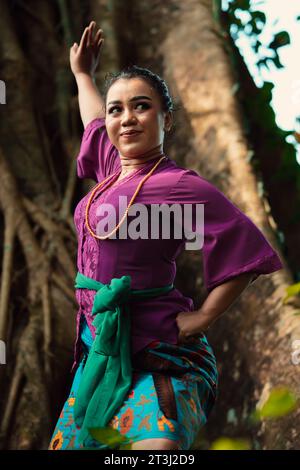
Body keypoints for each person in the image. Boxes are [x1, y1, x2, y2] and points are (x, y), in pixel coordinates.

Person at [48, 21, 283, 451]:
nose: (125, 119)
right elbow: (94, 121)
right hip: (99, 353)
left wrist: (203, 317)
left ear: (166, 119)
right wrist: (83, 73)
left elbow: (246, 249)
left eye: (141, 106)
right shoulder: (110, 168)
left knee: (157, 452)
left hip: (159, 355)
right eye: (117, 109)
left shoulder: (181, 185)